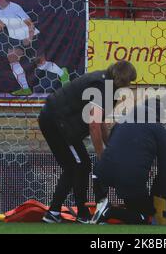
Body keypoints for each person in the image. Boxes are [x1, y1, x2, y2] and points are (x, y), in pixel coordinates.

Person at [38, 60, 137, 224]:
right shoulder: (101, 86)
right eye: (127, 82)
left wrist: (110, 147)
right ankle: (77, 214)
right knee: (78, 165)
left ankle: (55, 212)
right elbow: (94, 125)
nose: (128, 86)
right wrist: (101, 156)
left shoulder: (105, 82)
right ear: (121, 79)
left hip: (60, 122)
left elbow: (101, 121)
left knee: (78, 165)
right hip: (56, 122)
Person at [90, 102, 166, 225]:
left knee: (133, 204)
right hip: (129, 178)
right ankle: (110, 212)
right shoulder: (158, 130)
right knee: (144, 217)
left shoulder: (120, 123)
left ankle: (101, 205)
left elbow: (115, 149)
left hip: (100, 173)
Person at [0, 0, 69, 96]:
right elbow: (0, 25)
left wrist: (29, 38)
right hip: (15, 40)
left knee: (41, 64)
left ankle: (62, 73)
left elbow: (30, 23)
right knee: (13, 60)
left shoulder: (15, 7)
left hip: (32, 37)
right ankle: (25, 89)